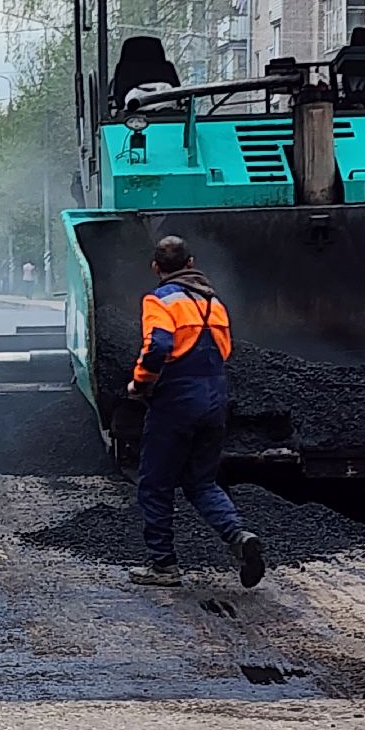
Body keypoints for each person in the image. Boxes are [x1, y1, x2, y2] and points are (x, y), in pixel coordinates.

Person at [126, 236, 265, 589]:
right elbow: (225, 350)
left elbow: (158, 345)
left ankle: (164, 566)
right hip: (215, 399)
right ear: (191, 263)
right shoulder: (214, 303)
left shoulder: (159, 301)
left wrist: (140, 384)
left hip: (176, 401)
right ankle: (238, 537)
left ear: (157, 268)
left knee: (155, 485)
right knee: (202, 482)